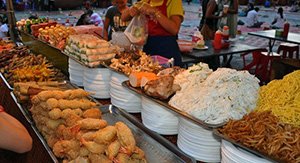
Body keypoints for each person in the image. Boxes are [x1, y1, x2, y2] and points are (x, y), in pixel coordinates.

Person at [121, 0, 184, 67]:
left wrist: (155, 12)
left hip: (167, 50)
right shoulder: (145, 1)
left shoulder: (173, 1)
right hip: (147, 49)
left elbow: (174, 29)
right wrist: (131, 10)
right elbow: (123, 17)